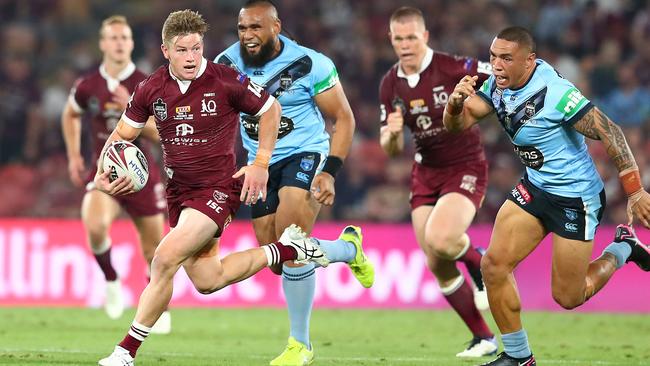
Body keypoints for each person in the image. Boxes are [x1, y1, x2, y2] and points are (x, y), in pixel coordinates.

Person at [96, 10, 360, 366]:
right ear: (165, 50)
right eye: (183, 50)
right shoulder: (150, 89)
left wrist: (260, 163)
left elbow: (271, 109)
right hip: (179, 194)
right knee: (208, 279)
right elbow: (121, 136)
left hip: (217, 190)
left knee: (163, 259)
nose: (191, 57)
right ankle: (287, 250)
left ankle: (125, 352)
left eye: (197, 48)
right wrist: (105, 171)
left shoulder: (225, 80)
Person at [443, 26, 650, 366]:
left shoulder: (556, 93)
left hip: (575, 198)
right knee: (493, 266)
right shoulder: (497, 84)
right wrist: (454, 105)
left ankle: (623, 247)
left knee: (569, 296)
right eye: (493, 57)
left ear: (529, 61)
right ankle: (518, 357)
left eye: (506, 59)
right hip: (536, 187)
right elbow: (458, 125)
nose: (496, 66)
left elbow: (609, 131)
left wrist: (635, 190)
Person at [215, 1, 374, 365]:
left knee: (292, 239)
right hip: (261, 163)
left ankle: (299, 345)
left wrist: (329, 171)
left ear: (276, 26)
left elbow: (344, 119)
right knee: (276, 260)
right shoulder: (225, 64)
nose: (248, 36)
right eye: (242, 29)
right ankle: (348, 249)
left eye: (256, 27)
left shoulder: (310, 64)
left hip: (305, 154)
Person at [378, 7, 497, 358]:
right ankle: (483, 337)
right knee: (436, 260)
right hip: (425, 172)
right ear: (391, 40)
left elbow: (502, 75)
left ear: (425, 36)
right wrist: (393, 135)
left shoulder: (453, 67)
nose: (405, 44)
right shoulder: (390, 84)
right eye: (399, 38)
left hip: (464, 166)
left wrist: (496, 109)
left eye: (412, 37)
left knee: (442, 239)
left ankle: (481, 264)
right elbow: (391, 148)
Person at [61, 15, 171, 333]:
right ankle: (111, 280)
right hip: (105, 174)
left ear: (132, 44)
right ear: (103, 43)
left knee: (154, 250)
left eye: (125, 37)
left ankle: (156, 307)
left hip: (141, 174)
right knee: (94, 225)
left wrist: (131, 110)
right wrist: (72, 157)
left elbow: (164, 133)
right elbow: (71, 114)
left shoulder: (147, 83)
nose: (119, 43)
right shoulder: (87, 85)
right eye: (113, 37)